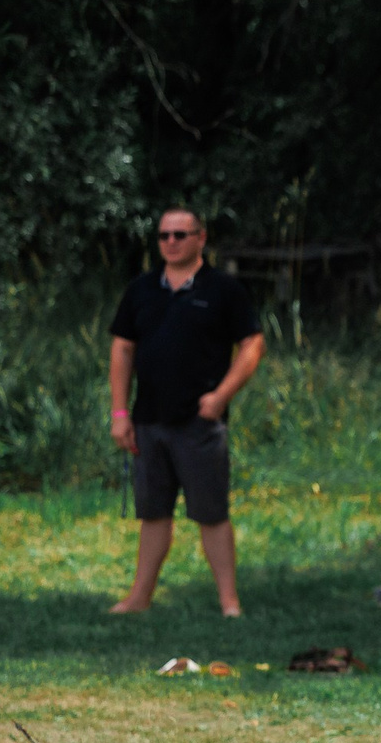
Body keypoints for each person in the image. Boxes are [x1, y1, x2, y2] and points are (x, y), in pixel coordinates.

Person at [106, 207, 266, 617]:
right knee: (153, 513)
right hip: (148, 419)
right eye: (164, 236)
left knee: (211, 513)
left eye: (180, 235)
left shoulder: (223, 290)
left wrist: (221, 396)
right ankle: (139, 597)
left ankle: (229, 601)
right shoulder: (141, 290)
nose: (171, 243)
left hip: (200, 422)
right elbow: (123, 348)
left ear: (201, 238)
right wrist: (120, 413)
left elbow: (252, 344)